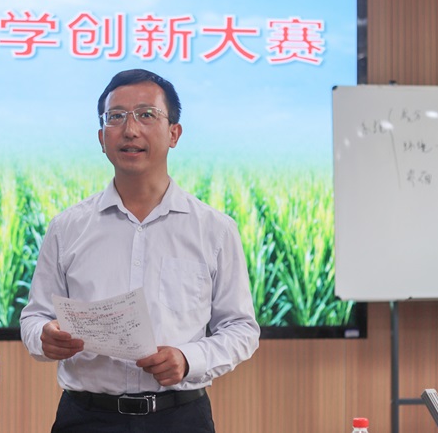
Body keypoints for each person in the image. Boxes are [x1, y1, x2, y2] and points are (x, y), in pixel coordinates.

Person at [20, 68, 260, 432]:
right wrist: (44, 337)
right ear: (101, 138)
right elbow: (34, 316)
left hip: (180, 418)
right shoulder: (67, 227)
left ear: (174, 133)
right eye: (116, 117)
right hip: (86, 417)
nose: (130, 130)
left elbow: (241, 328)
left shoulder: (214, 229)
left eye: (146, 115)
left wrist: (188, 358)